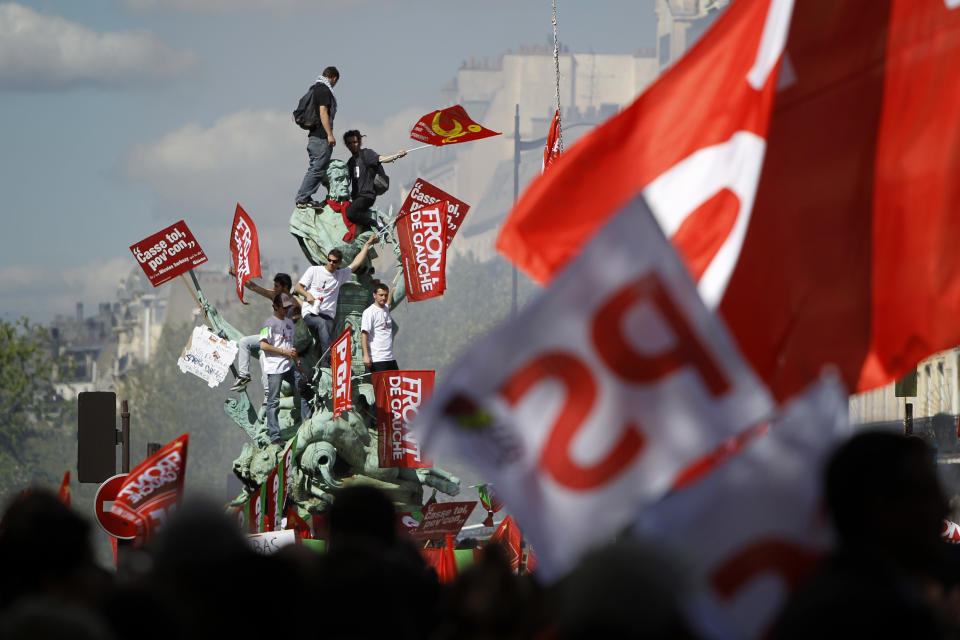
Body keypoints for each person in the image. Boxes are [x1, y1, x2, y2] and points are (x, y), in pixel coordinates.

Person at [295, 235, 377, 368]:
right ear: (327, 259)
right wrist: (307, 294)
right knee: (322, 325)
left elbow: (355, 263)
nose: (331, 264)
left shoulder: (340, 275)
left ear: (339, 263)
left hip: (328, 316)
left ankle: (325, 364)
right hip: (311, 313)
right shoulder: (314, 270)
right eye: (330, 260)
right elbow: (298, 287)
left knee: (328, 329)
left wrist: (367, 245)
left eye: (335, 262)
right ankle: (326, 364)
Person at [229, 271, 301, 392]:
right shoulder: (274, 295)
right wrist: (237, 274)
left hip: (285, 340)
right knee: (244, 342)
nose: (274, 289)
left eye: (277, 286)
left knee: (264, 356)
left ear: (285, 287)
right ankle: (244, 376)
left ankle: (268, 392)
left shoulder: (295, 303)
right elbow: (253, 287)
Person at [261, 293, 310, 445]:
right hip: (274, 367)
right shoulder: (268, 323)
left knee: (304, 388)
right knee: (273, 401)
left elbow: (291, 346)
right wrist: (283, 352)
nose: (287, 310)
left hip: (289, 365)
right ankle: (275, 436)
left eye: (289, 307)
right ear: (276, 306)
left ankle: (306, 427)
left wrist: (297, 361)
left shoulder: (290, 323)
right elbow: (263, 345)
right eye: (284, 307)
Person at [295, 66, 339, 208]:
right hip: (320, 137)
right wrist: (330, 135)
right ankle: (303, 198)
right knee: (317, 168)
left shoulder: (314, 88)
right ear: (334, 78)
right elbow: (323, 112)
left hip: (314, 136)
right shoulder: (324, 90)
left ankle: (305, 198)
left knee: (317, 168)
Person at [343, 129, 406, 228]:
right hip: (356, 198)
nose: (352, 145)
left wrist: (397, 155)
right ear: (346, 145)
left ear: (359, 142)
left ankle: (376, 223)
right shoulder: (350, 162)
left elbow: (382, 159)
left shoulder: (367, 154)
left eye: (355, 142)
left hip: (367, 196)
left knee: (350, 213)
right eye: (349, 143)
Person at [361, 281, 398, 372]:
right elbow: (364, 334)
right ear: (374, 295)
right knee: (381, 386)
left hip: (390, 358)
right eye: (381, 295)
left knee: (396, 385)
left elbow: (388, 303)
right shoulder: (369, 312)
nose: (383, 298)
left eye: (386, 295)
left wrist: (393, 290)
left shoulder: (386, 308)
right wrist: (366, 356)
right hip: (377, 359)